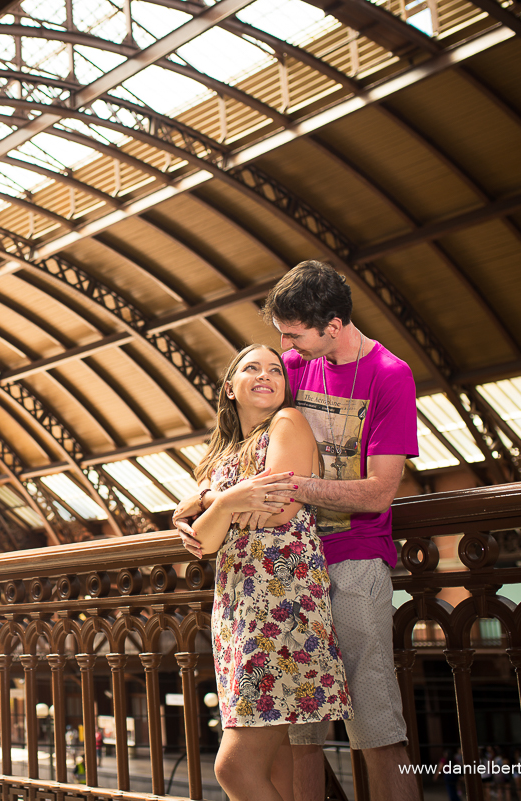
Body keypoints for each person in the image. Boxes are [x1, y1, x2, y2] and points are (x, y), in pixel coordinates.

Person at [175, 261, 419, 801]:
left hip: (354, 558)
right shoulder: (290, 365)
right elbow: (238, 441)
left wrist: (283, 488)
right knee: (299, 734)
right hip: (282, 577)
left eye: (293, 334)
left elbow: (379, 491)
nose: (282, 347)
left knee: (377, 731)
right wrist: (205, 496)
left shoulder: (389, 374)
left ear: (332, 325)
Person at [180, 343, 352, 801]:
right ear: (230, 388)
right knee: (276, 770)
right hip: (238, 607)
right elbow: (205, 542)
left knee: (234, 769)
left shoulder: (287, 422)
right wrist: (234, 500)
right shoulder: (223, 457)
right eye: (251, 368)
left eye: (275, 369)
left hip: (281, 602)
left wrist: (216, 504)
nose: (266, 375)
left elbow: (277, 510)